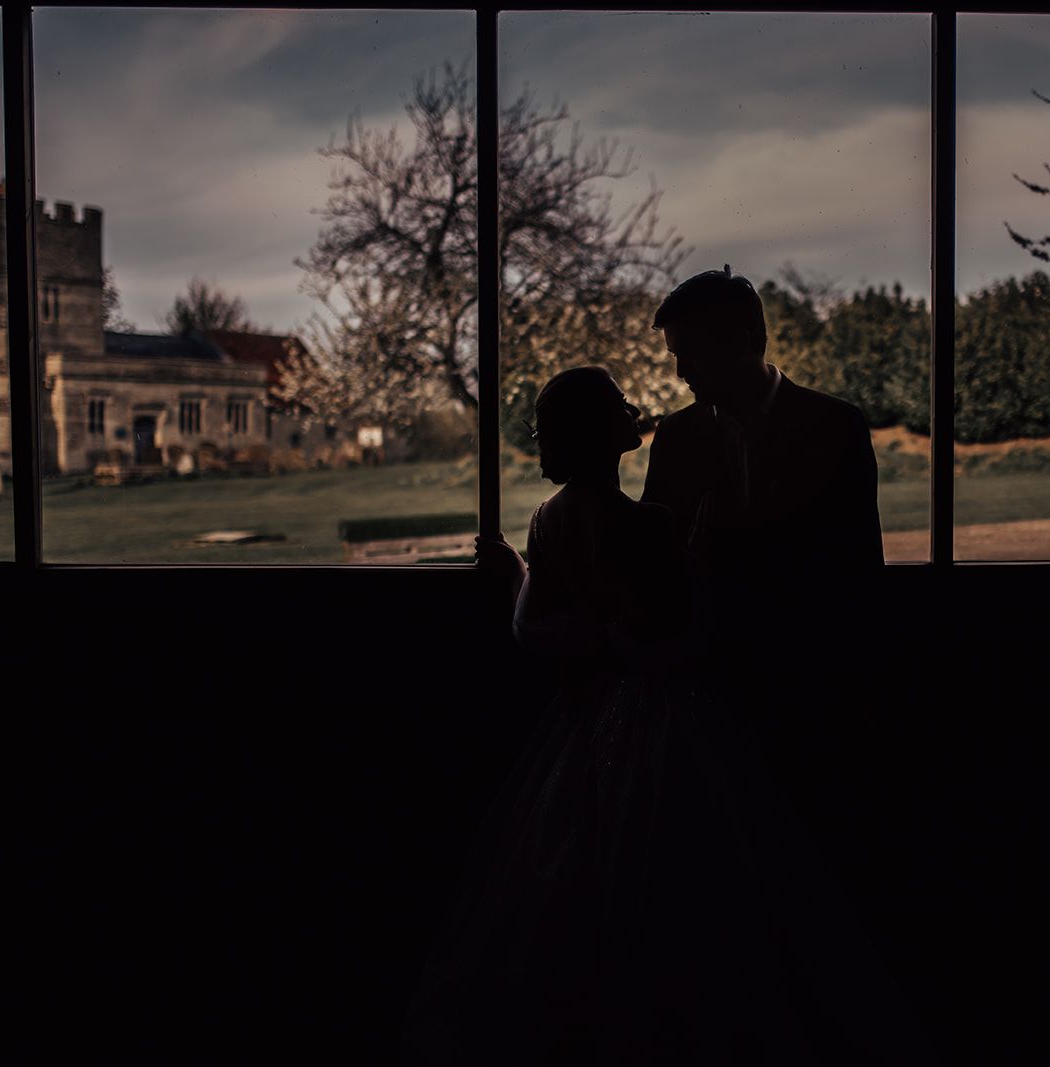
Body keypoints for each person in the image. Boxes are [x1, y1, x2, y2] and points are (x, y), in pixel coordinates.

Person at [399, 367, 937, 1066]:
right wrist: (694, 573)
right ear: (613, 434)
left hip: (582, 722)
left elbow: (534, 630)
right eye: (623, 407)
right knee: (695, 886)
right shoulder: (650, 526)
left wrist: (515, 577)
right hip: (663, 721)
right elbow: (685, 643)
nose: (639, 409)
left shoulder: (547, 519)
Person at [640, 265, 886, 880]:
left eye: (689, 352)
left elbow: (860, 569)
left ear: (746, 338)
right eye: (675, 355)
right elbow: (659, 563)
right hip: (711, 689)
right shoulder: (673, 439)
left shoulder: (836, 427)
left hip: (813, 682)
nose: (680, 372)